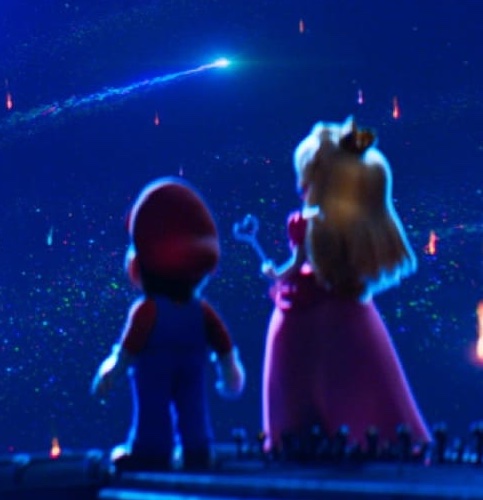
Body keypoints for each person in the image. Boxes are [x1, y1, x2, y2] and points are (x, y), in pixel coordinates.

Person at [260, 117, 431, 453]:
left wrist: (277, 274)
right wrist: (279, 275)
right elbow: (298, 261)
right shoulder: (348, 309)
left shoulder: (342, 312)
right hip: (313, 311)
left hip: (311, 315)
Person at [92, 177, 245, 471]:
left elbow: (128, 351)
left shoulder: (148, 311)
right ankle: (197, 451)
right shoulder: (199, 311)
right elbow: (222, 343)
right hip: (191, 367)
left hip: (153, 371)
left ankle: (152, 452)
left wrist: (112, 370)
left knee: (153, 408)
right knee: (193, 407)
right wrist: (230, 370)